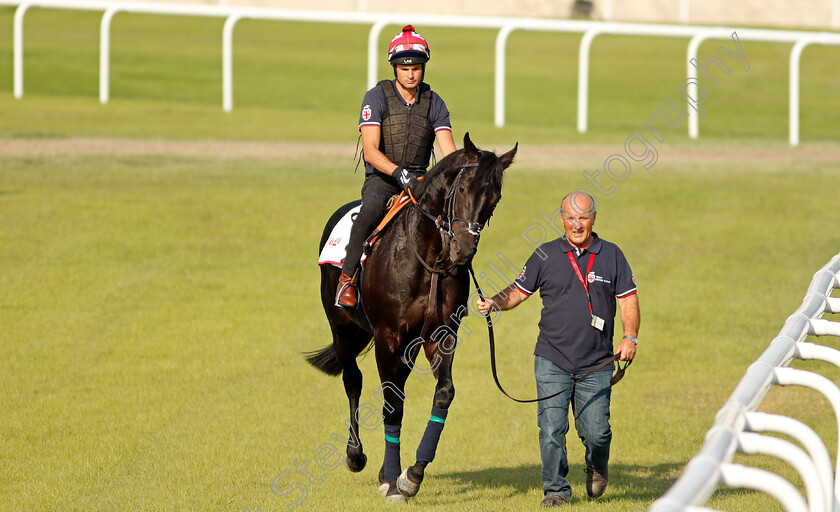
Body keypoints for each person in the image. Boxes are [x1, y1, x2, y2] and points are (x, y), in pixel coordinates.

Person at [476, 191, 640, 507]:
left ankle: (597, 465)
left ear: (594, 217)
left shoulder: (612, 255)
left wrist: (629, 337)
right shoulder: (545, 254)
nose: (576, 224)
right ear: (561, 217)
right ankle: (556, 490)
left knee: (597, 434)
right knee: (551, 429)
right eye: (570, 217)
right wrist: (493, 303)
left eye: (583, 217)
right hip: (552, 358)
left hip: (597, 361)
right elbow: (518, 292)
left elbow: (628, 300)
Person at [335, 24, 457, 309]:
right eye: (404, 68)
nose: (411, 73)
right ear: (393, 67)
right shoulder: (376, 97)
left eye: (416, 67)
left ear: (423, 67)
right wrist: (400, 174)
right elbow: (370, 151)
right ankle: (347, 278)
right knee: (372, 208)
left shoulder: (435, 102)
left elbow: (448, 151)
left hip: (422, 179)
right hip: (383, 179)